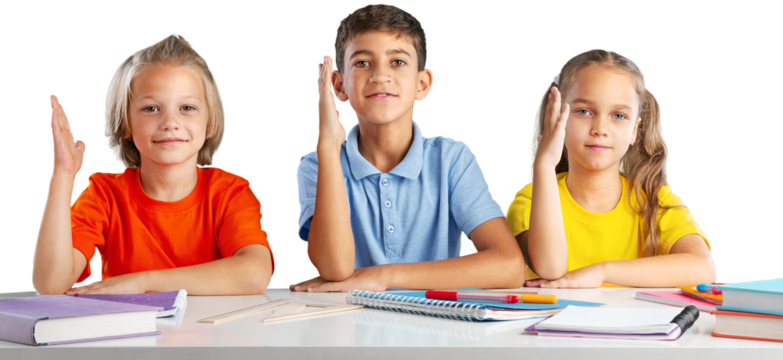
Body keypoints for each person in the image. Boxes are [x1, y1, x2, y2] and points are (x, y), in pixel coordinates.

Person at [293, 3, 524, 292]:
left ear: (422, 84)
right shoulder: (317, 164)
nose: (380, 75)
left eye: (397, 62)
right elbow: (335, 268)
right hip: (350, 328)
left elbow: (509, 266)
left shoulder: (451, 159)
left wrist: (383, 277)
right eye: (362, 62)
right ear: (339, 85)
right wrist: (328, 145)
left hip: (434, 329)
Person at [32, 31, 274, 295]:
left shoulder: (230, 192)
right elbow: (51, 284)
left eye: (187, 108)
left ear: (209, 121)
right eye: (151, 108)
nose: (170, 122)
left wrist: (142, 283)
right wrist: (64, 174)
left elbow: (255, 274)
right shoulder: (104, 194)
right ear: (126, 124)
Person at [506, 47, 716, 288]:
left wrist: (602, 272)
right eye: (583, 111)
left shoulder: (655, 200)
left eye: (618, 115)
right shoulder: (530, 200)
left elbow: (704, 268)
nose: (600, 129)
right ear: (557, 119)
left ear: (634, 130)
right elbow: (551, 269)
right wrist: (544, 165)